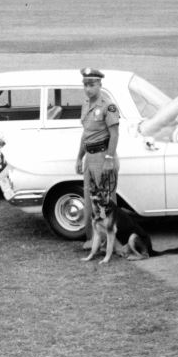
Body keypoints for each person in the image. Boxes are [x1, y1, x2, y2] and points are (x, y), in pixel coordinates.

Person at [75, 68, 120, 247]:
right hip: (90, 157)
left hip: (103, 156)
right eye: (85, 85)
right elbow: (86, 134)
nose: (88, 89)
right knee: (90, 200)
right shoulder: (86, 104)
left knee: (107, 200)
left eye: (92, 85)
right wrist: (79, 158)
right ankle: (93, 240)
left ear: (100, 84)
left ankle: (113, 243)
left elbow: (115, 134)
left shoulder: (108, 106)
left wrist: (109, 158)